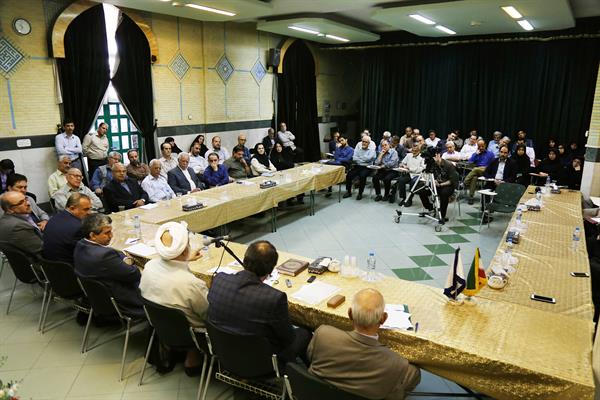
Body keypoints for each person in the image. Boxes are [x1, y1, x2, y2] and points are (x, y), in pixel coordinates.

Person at [208, 240, 311, 364]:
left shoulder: (218, 279)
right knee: (305, 333)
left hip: (224, 354)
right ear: (271, 270)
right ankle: (302, 373)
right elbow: (288, 338)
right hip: (262, 363)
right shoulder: (274, 298)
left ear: (244, 261)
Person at [307, 288, 420, 400]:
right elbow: (409, 381)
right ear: (383, 318)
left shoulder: (323, 334)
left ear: (350, 313)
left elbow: (310, 357)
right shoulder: (397, 364)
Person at [139, 221, 209, 376]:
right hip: (193, 335)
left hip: (161, 326)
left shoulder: (149, 266)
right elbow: (208, 314)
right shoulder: (191, 283)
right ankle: (194, 355)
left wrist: (185, 259)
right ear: (185, 249)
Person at [73, 214, 144, 318]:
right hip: (124, 302)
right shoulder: (104, 256)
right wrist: (131, 262)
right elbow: (134, 274)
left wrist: (124, 259)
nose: (111, 236)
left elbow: (115, 252)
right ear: (93, 235)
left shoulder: (80, 245)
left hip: (98, 300)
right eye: (107, 233)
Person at [42, 193, 92, 264]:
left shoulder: (53, 218)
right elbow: (88, 253)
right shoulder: (78, 227)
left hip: (51, 264)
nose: (89, 213)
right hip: (70, 266)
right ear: (72, 208)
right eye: (86, 209)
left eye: (90, 208)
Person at [416, 151, 459, 221]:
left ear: (438, 155)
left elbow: (452, 180)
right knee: (421, 190)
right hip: (435, 184)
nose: (433, 158)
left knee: (443, 193)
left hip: (447, 185)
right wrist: (432, 180)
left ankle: (442, 216)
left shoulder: (449, 165)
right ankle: (430, 208)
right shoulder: (432, 164)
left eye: (434, 156)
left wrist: (441, 184)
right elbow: (427, 174)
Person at [0, 191, 43, 259]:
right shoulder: (18, 226)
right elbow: (41, 249)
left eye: (26, 199)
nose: (28, 203)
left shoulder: (4, 219)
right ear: (10, 210)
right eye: (21, 202)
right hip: (40, 262)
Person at [343, 136, 375, 200]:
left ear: (369, 143)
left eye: (366, 142)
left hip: (367, 167)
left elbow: (369, 159)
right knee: (349, 175)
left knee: (362, 176)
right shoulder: (358, 145)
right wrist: (363, 159)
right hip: (358, 165)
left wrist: (360, 158)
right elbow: (354, 158)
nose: (364, 143)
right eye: (363, 141)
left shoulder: (372, 147)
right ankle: (348, 192)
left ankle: (360, 193)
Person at [464, 140, 495, 204]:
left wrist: (487, 168)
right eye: (479, 146)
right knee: (474, 178)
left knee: (475, 169)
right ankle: (471, 197)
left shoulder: (490, 154)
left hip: (486, 170)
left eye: (482, 146)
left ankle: (465, 182)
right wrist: (475, 155)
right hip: (477, 171)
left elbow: (493, 165)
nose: (481, 148)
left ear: (485, 145)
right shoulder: (476, 153)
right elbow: (469, 162)